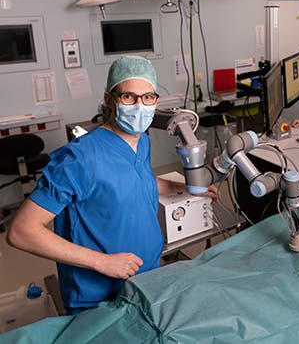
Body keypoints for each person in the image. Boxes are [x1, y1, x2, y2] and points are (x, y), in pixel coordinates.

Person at [7, 56, 217, 314]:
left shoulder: (142, 141)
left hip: (147, 275)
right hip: (98, 294)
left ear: (156, 101)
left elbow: (136, 180)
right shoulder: (81, 159)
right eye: (128, 97)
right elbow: (21, 231)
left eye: (148, 97)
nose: (140, 106)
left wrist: (186, 186)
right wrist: (102, 262)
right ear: (109, 100)